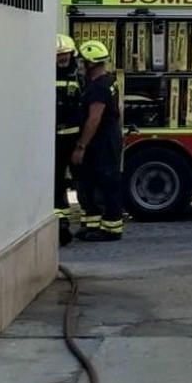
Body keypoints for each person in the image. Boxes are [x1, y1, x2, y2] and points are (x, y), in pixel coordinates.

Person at [69, 40, 127, 242]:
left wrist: (81, 146)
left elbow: (94, 119)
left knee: (106, 183)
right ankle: (93, 225)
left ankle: (111, 229)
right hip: (107, 138)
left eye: (83, 62)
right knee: (91, 183)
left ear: (91, 64)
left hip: (101, 141)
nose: (80, 65)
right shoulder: (109, 81)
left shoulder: (98, 88)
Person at [53, 35, 82, 247]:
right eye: (58, 56)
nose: (62, 59)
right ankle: (60, 225)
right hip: (53, 139)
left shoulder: (79, 77)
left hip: (74, 138)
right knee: (56, 183)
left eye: (65, 55)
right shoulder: (44, 75)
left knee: (84, 181)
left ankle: (92, 223)